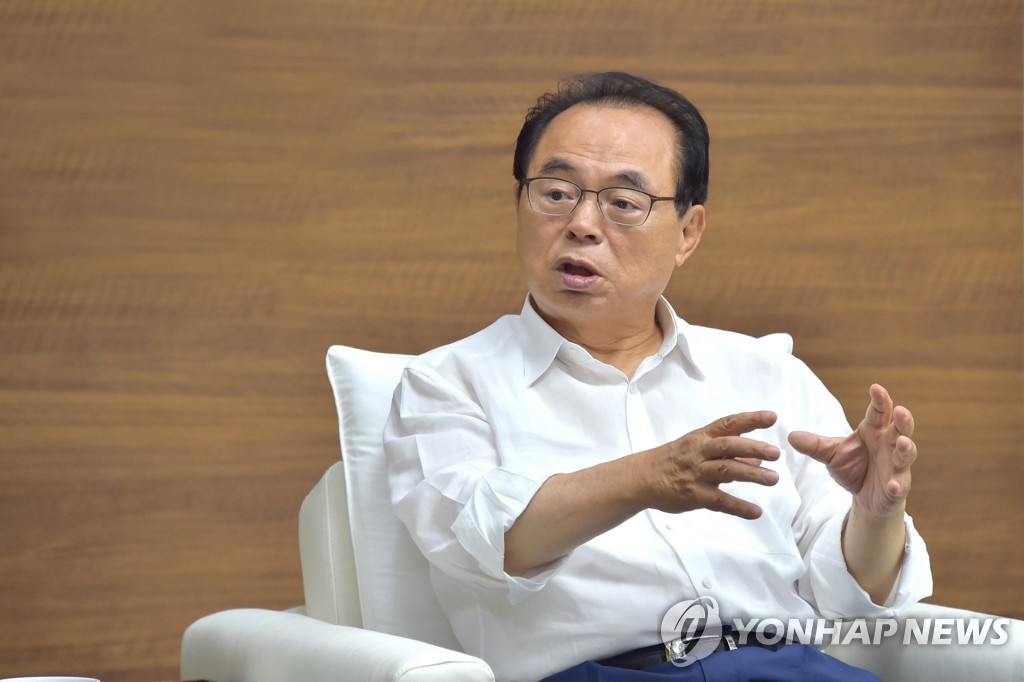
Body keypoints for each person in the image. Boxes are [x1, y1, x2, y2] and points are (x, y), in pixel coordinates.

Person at [383, 72, 932, 682]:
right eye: (557, 192)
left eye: (623, 203)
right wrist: (649, 477)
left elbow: (850, 600)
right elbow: (487, 539)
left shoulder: (770, 376)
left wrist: (875, 514)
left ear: (688, 234)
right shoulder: (447, 383)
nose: (582, 223)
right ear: (519, 204)